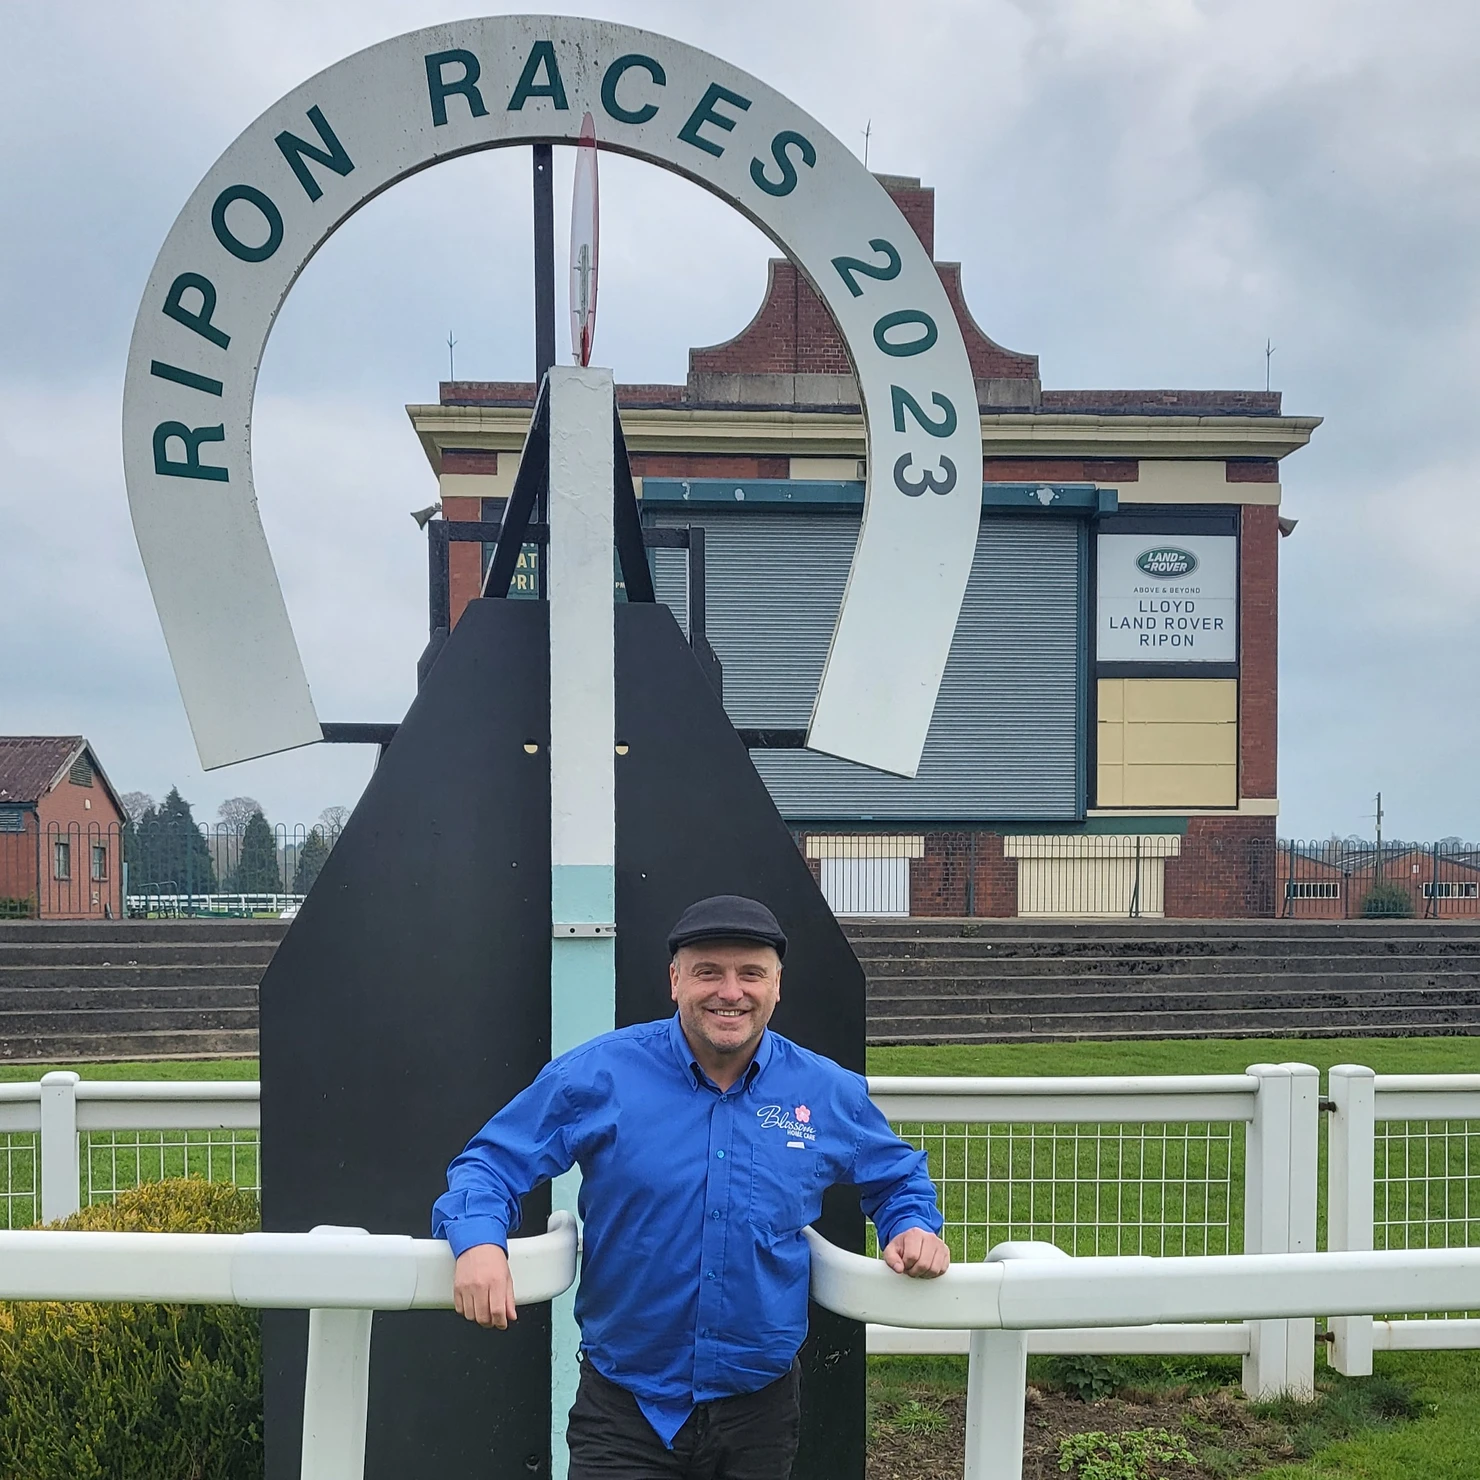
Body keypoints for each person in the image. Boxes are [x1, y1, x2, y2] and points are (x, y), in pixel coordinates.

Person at [432, 894, 950, 1479]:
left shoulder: (827, 1092)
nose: (731, 992)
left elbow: (898, 1175)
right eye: (708, 972)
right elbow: (490, 1163)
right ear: (675, 980)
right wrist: (478, 1240)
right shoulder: (598, 1076)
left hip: (760, 1414)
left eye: (751, 973)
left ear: (777, 985)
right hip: (624, 1412)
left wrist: (912, 1225)